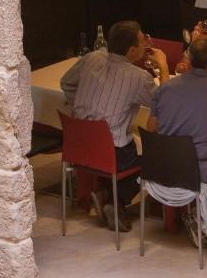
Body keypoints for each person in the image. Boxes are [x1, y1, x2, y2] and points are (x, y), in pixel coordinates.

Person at [60, 20, 169, 231]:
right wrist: (163, 67)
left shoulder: (92, 57)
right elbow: (165, 104)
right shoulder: (138, 77)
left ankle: (107, 196)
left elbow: (66, 83)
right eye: (142, 40)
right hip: (111, 152)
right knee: (157, 158)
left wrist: (83, 105)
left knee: (131, 142)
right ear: (132, 50)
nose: (146, 43)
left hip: (77, 146)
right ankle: (114, 200)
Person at [148, 37, 207, 245]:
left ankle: (201, 213)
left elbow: (151, 127)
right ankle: (204, 218)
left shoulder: (164, 88)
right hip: (198, 170)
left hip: (163, 168)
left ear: (189, 60)